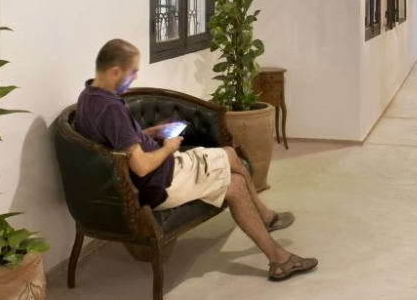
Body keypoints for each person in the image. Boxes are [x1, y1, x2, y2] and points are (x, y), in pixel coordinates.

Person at [76, 38, 318, 282]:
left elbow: (120, 142)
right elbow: (141, 167)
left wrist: (150, 133)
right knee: (234, 184)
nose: (135, 77)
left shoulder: (88, 96)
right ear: (115, 71)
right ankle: (279, 259)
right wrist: (169, 148)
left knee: (229, 154)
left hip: (164, 172)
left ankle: (266, 218)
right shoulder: (111, 109)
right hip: (162, 182)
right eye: (133, 72)